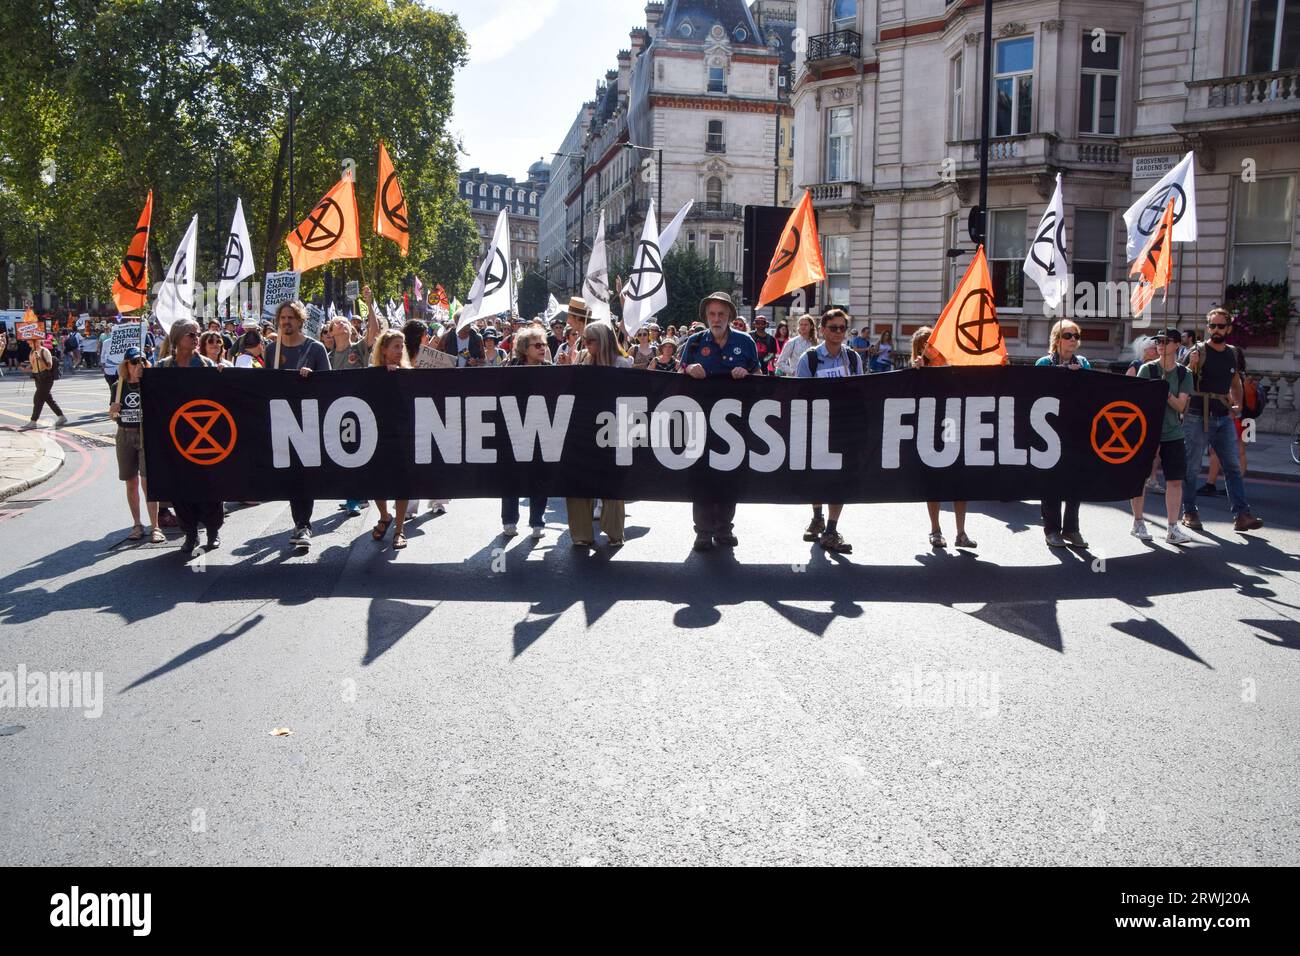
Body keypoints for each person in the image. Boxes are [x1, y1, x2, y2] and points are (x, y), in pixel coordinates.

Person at [679, 291, 759, 551]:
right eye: (712, 314)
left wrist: (747, 373)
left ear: (730, 317)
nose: (716, 318)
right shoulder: (693, 343)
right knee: (701, 476)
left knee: (729, 476)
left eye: (721, 314)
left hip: (733, 425)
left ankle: (724, 529)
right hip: (700, 422)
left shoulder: (746, 342)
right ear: (706, 316)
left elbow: (760, 374)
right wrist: (688, 370)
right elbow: (678, 372)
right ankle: (702, 531)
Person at [1182, 308, 1263, 532]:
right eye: (1212, 326)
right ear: (1208, 327)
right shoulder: (1197, 350)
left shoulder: (1233, 353)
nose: (1216, 330)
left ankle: (1241, 515)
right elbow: (1181, 378)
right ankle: (1189, 511)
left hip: (1223, 417)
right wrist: (1191, 366)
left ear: (1229, 328)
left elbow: (1235, 381)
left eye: (1220, 326)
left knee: (1233, 467)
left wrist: (1238, 405)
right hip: (1196, 415)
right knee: (1192, 467)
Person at [795, 308, 864, 554]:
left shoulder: (853, 359)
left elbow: (861, 391)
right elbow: (799, 394)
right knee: (817, 477)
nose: (838, 333)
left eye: (842, 328)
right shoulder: (810, 359)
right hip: (817, 427)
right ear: (822, 329)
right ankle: (817, 516)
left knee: (840, 479)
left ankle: (831, 529)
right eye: (833, 328)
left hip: (843, 428)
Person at [269, 300, 332, 548]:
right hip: (281, 422)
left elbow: (329, 385)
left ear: (301, 321)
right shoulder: (271, 350)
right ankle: (301, 522)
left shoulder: (315, 349)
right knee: (291, 476)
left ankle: (302, 524)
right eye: (283, 318)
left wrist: (312, 380)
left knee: (303, 475)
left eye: (291, 318)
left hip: (308, 423)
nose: (286, 322)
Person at [157, 319, 222, 556]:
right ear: (177, 339)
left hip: (203, 435)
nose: (196, 338)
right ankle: (190, 533)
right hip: (176, 438)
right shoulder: (162, 368)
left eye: (197, 334)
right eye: (191, 335)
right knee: (180, 488)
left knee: (209, 487)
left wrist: (222, 375)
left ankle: (213, 532)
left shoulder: (206, 365)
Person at [566, 320, 630, 548]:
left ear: (602, 342)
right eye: (584, 339)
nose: (585, 344)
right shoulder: (581, 359)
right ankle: (581, 534)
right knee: (578, 482)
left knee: (612, 484)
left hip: (612, 430)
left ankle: (614, 532)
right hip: (584, 430)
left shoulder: (622, 364)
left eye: (590, 340)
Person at [912, 327, 976, 550]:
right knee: (934, 482)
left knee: (960, 481)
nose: (929, 350)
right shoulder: (917, 371)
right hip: (930, 431)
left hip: (954, 427)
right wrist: (919, 368)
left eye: (932, 344)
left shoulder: (951, 366)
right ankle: (935, 530)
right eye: (924, 346)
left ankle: (961, 532)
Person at [1130, 328, 1195, 546]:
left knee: (1175, 480)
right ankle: (1138, 522)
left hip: (1173, 433)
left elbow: (1180, 405)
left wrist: (1163, 390)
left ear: (1177, 345)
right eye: (1158, 341)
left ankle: (1172, 528)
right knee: (1139, 478)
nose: (1160, 345)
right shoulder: (1147, 369)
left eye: (1166, 341)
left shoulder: (1184, 374)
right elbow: (1137, 402)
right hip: (1148, 432)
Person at [1035, 319, 1091, 549]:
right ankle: (1051, 529)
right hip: (1048, 430)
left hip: (1075, 429)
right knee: (1051, 481)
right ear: (1057, 339)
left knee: (1075, 480)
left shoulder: (1083, 363)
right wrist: (1060, 374)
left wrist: (1078, 376)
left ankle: (1072, 529)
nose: (1073, 341)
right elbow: (1035, 391)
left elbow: (1090, 391)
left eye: (1076, 336)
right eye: (1068, 336)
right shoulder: (1044, 363)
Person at [500, 326, 552, 539]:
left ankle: (537, 521)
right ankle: (509, 519)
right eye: (537, 345)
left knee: (540, 475)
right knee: (511, 475)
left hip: (542, 431)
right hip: (514, 430)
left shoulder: (551, 369)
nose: (543, 349)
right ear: (524, 348)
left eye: (544, 345)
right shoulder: (509, 368)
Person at [108, 347, 163, 543]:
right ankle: (137, 524)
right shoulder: (118, 386)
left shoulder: (150, 384)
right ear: (126, 365)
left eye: (142, 361)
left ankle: (155, 526)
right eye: (134, 362)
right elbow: (114, 417)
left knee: (148, 482)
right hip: (125, 435)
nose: (139, 365)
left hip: (145, 435)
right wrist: (113, 411)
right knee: (130, 482)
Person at [368, 330, 413, 549]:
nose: (400, 350)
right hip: (376, 435)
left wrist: (399, 376)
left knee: (401, 482)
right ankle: (385, 516)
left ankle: (400, 529)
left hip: (401, 435)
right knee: (377, 481)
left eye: (402, 345)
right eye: (395, 346)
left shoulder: (408, 373)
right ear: (383, 349)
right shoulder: (371, 373)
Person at [19, 334, 67, 430]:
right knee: (48, 399)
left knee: (37, 399)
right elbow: (33, 367)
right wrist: (25, 369)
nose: (29, 343)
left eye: (30, 342)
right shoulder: (32, 352)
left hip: (46, 378)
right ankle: (62, 417)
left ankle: (33, 422)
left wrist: (40, 359)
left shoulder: (45, 351)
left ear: (37, 341)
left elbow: (49, 366)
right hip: (38, 378)